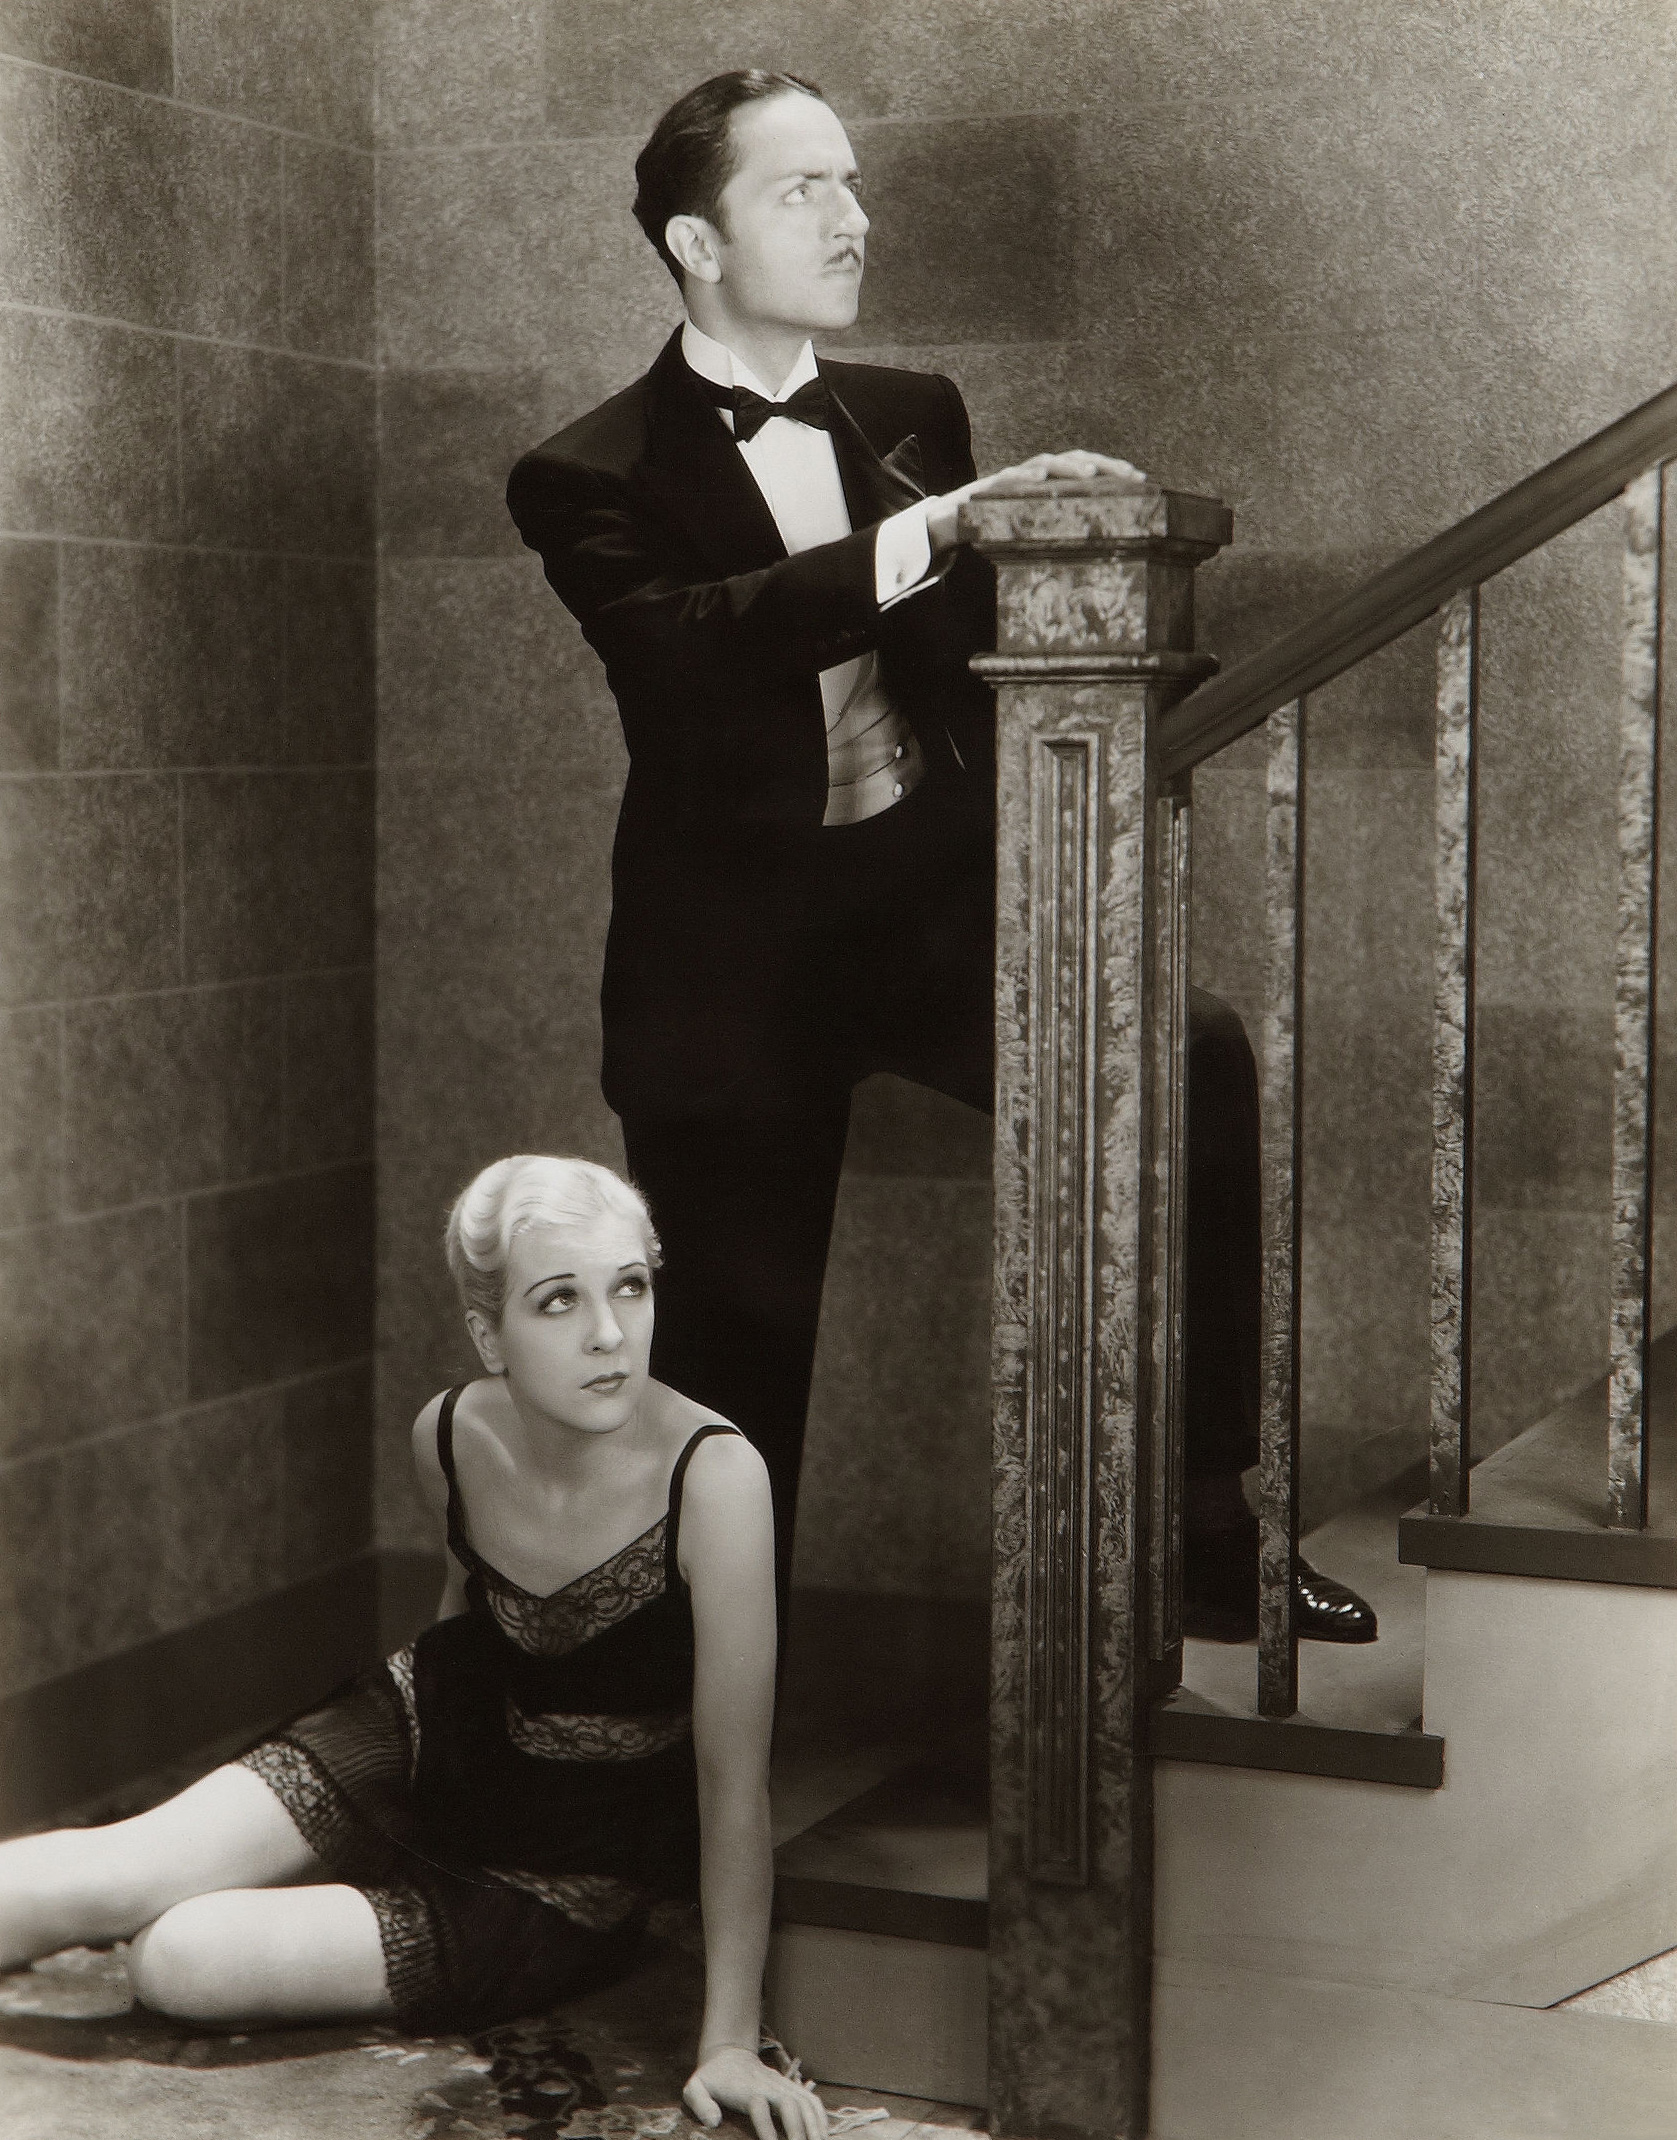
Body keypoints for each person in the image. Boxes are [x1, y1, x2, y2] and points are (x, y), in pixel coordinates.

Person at [506, 71, 1375, 1646]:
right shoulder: (586, 470)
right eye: (803, 190)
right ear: (697, 241)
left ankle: (1204, 1532)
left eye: (851, 182)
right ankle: (703, 1684)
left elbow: (975, 659)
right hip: (735, 959)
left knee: (1190, 1055)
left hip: (925, 917)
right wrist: (942, 528)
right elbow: (694, 654)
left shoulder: (913, 410)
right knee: (731, 1363)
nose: (853, 219)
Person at [0, 1155, 826, 2139]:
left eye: (631, 1287)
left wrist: (728, 2039)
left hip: (559, 1873)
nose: (609, 1334)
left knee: (178, 1960)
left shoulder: (716, 1478)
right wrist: (379, 1809)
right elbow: (457, 1629)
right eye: (558, 1300)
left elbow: (733, 1782)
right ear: (489, 1334)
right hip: (425, 1734)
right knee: (116, 1871)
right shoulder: (447, 1434)